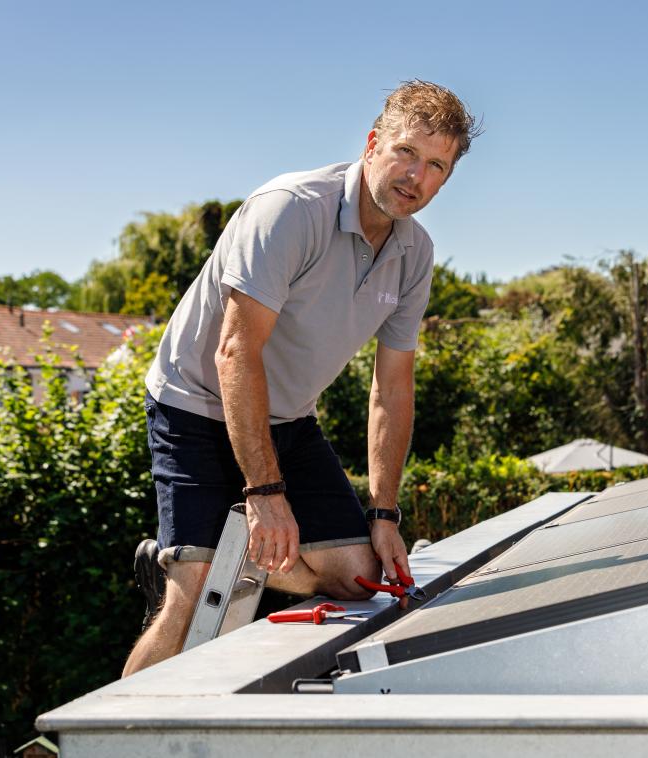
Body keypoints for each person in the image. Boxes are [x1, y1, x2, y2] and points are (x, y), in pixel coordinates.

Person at [123, 81, 479, 676]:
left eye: (436, 165)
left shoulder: (416, 253)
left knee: (357, 578)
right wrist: (264, 494)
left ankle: (213, 553)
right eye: (406, 153)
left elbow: (392, 389)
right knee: (194, 606)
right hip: (197, 403)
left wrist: (384, 513)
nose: (415, 176)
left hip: (288, 418)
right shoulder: (290, 208)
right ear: (372, 144)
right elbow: (235, 352)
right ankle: (102, 729)